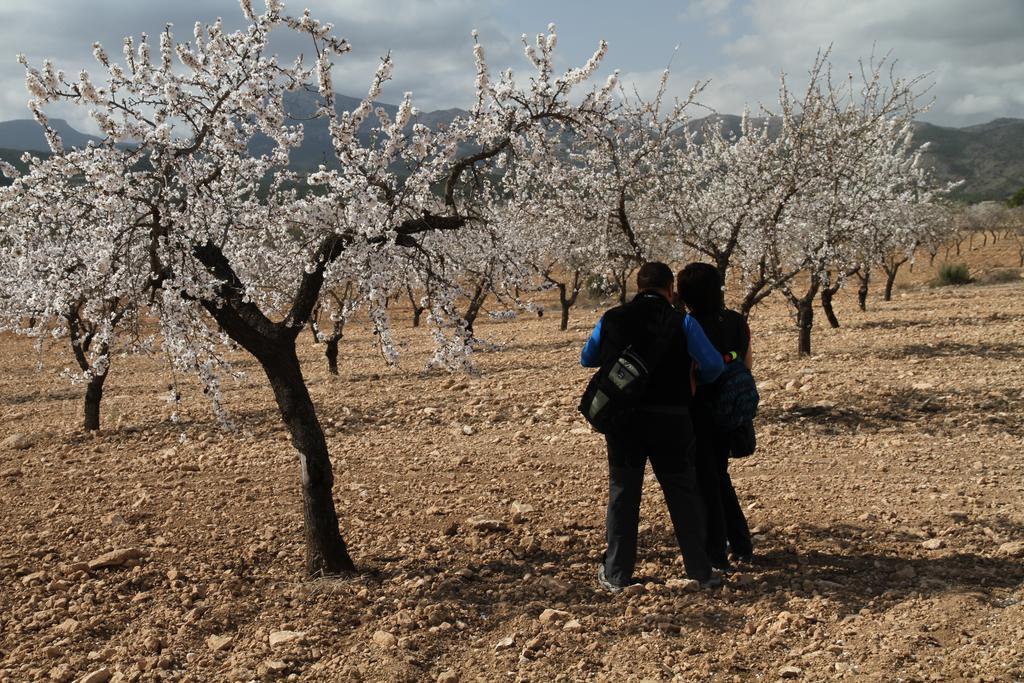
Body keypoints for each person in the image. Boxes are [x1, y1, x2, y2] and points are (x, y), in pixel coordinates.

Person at [580, 262, 725, 591]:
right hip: (671, 418)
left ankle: (616, 574)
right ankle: (700, 572)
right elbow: (714, 366)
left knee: (623, 494)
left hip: (624, 420)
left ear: (638, 286)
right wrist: (691, 379)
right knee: (683, 494)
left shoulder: (611, 318)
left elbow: (587, 358)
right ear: (670, 289)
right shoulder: (682, 321)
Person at [675, 262, 755, 570]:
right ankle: (741, 543)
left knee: (707, 480)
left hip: (700, 410)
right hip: (732, 407)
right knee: (718, 476)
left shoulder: (687, 325)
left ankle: (717, 553)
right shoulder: (737, 321)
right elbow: (746, 364)